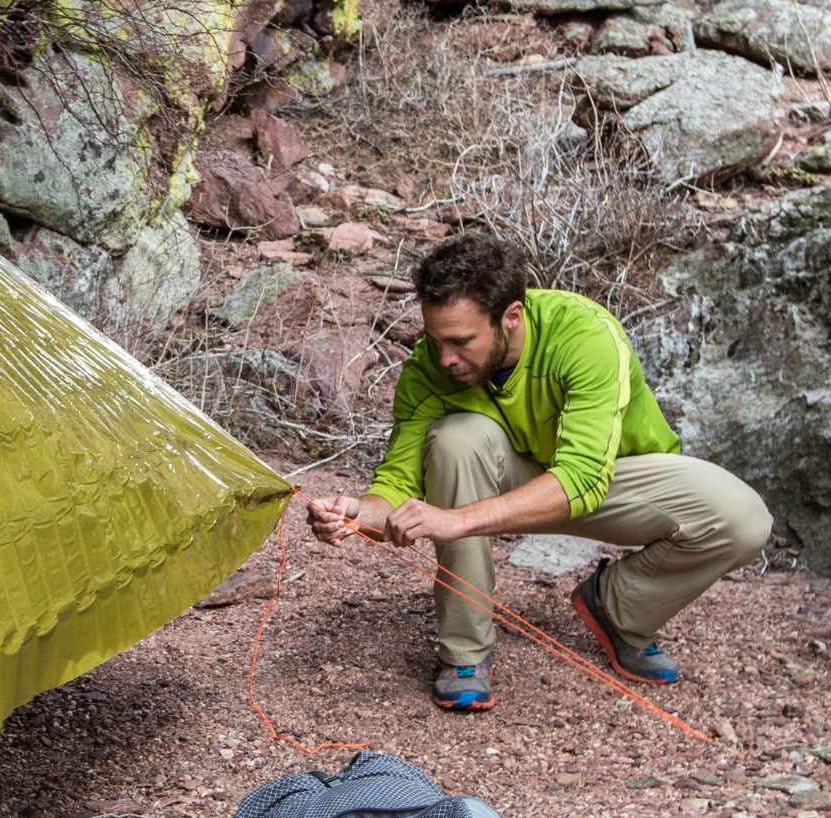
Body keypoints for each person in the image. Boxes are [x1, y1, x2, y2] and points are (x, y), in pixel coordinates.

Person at [304, 233, 770, 712]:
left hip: (614, 478)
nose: (444, 358)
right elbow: (397, 489)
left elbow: (584, 478)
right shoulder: (430, 369)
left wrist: (459, 520)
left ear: (511, 317)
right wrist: (358, 514)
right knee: (457, 439)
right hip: (509, 478)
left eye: (461, 342)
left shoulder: (584, 335)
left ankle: (619, 607)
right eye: (434, 339)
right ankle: (464, 654)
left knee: (742, 518)